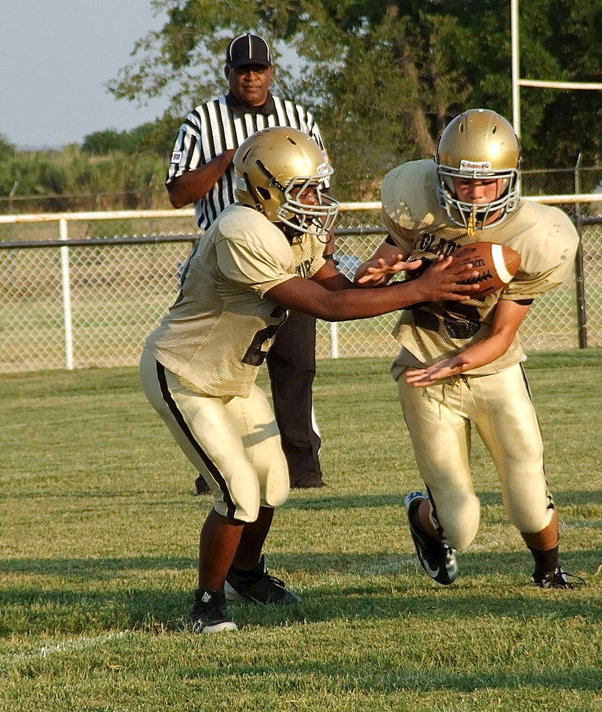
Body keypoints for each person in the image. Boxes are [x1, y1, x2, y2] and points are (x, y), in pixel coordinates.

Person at [141, 127, 478, 633]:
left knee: (273, 484)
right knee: (237, 492)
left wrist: (399, 279)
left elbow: (338, 286)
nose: (317, 201)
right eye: (304, 190)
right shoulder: (242, 230)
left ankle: (246, 575)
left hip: (233, 378)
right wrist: (420, 290)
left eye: (318, 187)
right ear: (264, 190)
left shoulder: (295, 227)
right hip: (184, 373)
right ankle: (206, 604)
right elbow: (327, 307)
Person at [355, 108, 585, 589]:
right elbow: (381, 263)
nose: (475, 194)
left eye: (488, 183)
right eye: (461, 182)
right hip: (423, 364)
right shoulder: (415, 203)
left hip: (492, 368)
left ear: (511, 179)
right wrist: (379, 270)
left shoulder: (537, 235)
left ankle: (549, 571)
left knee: (526, 493)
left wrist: (456, 363)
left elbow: (501, 335)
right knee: (460, 523)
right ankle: (422, 516)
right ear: (441, 176)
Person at [165, 32, 329, 491]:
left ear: (272, 72)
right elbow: (179, 192)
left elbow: (320, 185)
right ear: (228, 73)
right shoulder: (202, 120)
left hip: (291, 253)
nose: (251, 77)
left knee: (296, 363)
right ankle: (214, 469)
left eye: (259, 69)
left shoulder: (298, 118)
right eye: (242, 70)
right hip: (228, 264)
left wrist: (325, 245)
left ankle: (303, 468)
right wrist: (231, 158)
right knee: (218, 367)